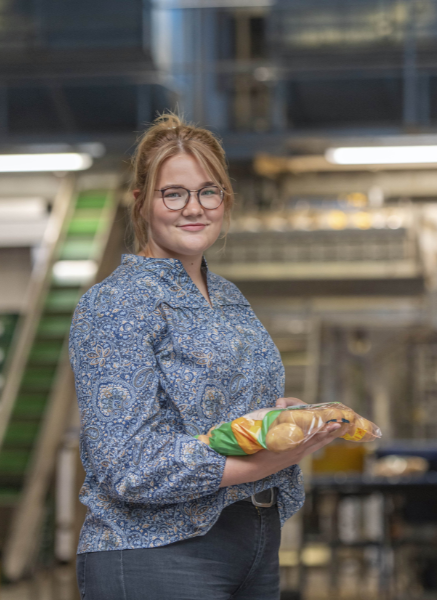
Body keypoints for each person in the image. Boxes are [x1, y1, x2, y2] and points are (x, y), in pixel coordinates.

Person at [69, 114, 344, 600]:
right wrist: (267, 461)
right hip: (156, 552)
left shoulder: (228, 296)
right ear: (141, 203)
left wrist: (288, 417)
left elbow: (229, 414)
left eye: (208, 191)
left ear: (225, 200)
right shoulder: (117, 303)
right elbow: (128, 465)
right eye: (173, 193)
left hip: (252, 540)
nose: (193, 208)